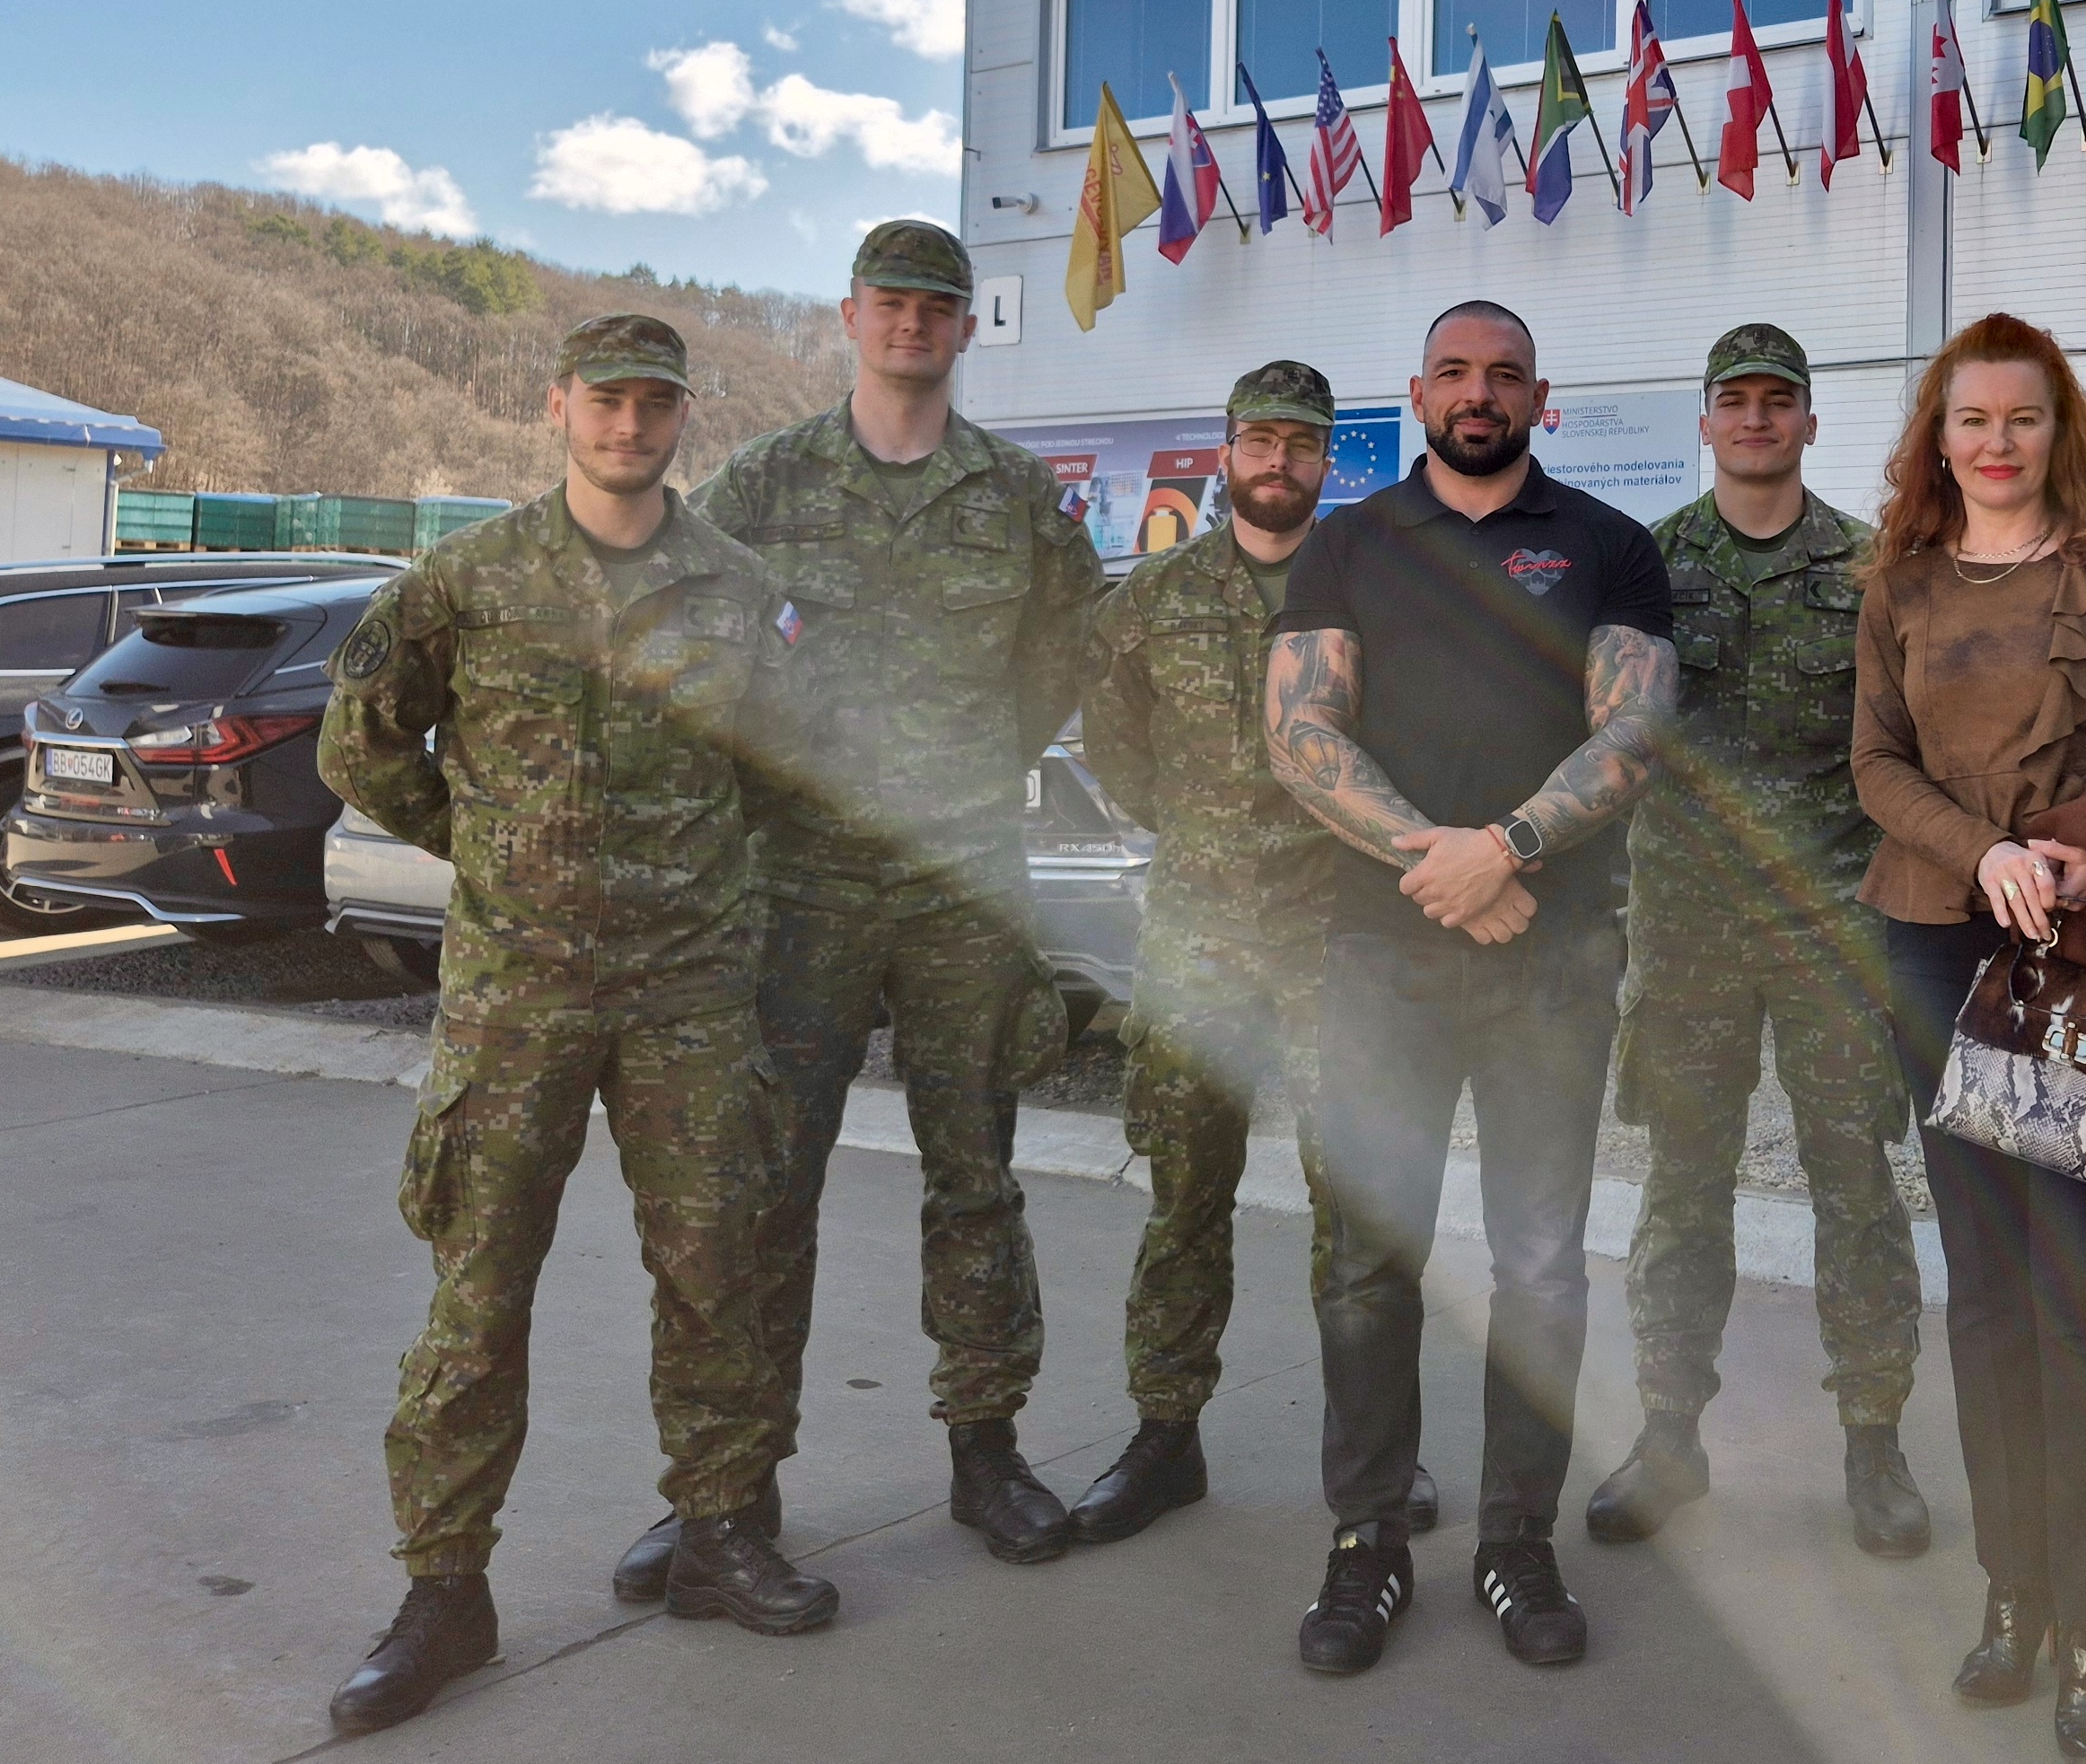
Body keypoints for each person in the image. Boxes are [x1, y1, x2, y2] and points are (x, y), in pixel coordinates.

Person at [319, 314, 834, 1735]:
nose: (628, 424)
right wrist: (493, 849)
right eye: (606, 399)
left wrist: (708, 885)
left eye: (655, 402)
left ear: (683, 417)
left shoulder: (741, 592)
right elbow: (360, 745)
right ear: (557, 405)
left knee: (717, 1269)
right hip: (519, 994)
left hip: (689, 992)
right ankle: (445, 1591)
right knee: (478, 1292)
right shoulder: (464, 581)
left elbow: (789, 768)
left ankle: (719, 1530)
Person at [632, 221, 1100, 1589]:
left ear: (965, 329)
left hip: (962, 883)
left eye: (936, 307)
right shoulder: (765, 485)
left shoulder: (1018, 497)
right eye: (890, 303)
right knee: (767, 1187)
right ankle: (730, 1489)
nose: (911, 324)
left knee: (977, 1180)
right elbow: (694, 643)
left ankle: (987, 1454)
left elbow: (1060, 660)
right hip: (801, 886)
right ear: (849, 316)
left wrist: (964, 769)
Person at [1266, 301, 1676, 1678]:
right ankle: (1366, 1543)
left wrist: (1506, 848)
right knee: (1368, 1260)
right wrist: (1437, 861)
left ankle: (1516, 1542)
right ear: (1418, 393)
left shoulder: (1610, 546)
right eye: (1454, 372)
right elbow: (1300, 730)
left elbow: (1636, 727)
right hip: (1382, 956)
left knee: (1541, 1266)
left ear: (1539, 398)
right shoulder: (1350, 543)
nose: (1478, 392)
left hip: (1553, 958)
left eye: (1504, 374)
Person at [1853, 310, 2086, 1764]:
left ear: (2057, 429)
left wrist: (2082, 849)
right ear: (1939, 439)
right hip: (1935, 947)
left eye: (2021, 415)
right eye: (1971, 417)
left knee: (2081, 1299)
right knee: (1992, 1300)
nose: (1996, 440)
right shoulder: (1899, 582)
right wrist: (1982, 848)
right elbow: (1875, 761)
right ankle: (2011, 1592)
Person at [1070, 361, 1437, 1543]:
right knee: (1183, 1199)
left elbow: (1419, 743)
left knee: (1358, 1216)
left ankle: (1374, 1454)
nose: (1280, 463)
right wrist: (1200, 832)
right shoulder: (1152, 597)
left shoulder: (1374, 591)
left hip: (1341, 938)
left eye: (1303, 445)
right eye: (1261, 441)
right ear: (1226, 450)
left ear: (1329, 460)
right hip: (1200, 941)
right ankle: (1164, 1438)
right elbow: (1116, 745)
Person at [1586, 322, 1929, 1560]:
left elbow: (1912, 742)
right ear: (1705, 420)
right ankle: (1669, 1435)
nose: (1756, 418)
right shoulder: (1644, 566)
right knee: (1683, 1185)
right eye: (1734, 399)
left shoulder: (1872, 567)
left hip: (1835, 927)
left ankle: (1874, 1444)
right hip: (1685, 930)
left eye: (1778, 400)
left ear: (1809, 420)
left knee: (1856, 1186)